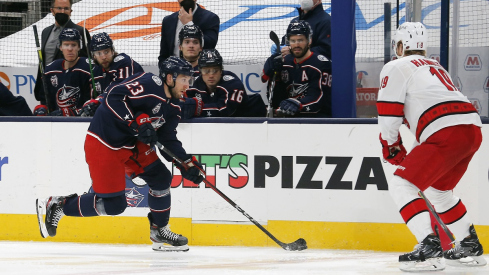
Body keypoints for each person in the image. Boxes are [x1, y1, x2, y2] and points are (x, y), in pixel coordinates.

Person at [36, 56, 205, 252]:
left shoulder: (174, 107)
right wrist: (134, 122)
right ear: (169, 78)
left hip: (132, 145)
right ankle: (59, 205)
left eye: (190, 80)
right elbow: (113, 95)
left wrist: (186, 164)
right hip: (104, 143)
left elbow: (168, 140)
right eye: (184, 79)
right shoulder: (150, 83)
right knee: (115, 205)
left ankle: (159, 230)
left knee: (161, 177)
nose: (188, 85)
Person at [377, 22, 485, 272]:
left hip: (444, 130)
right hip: (471, 128)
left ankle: (429, 247)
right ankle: (470, 245)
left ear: (401, 45)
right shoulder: (435, 66)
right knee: (439, 191)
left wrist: (391, 146)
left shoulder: (396, 66)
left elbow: (388, 114)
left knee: (401, 183)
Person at [262, 21, 332, 117]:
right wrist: (274, 76)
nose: (296, 45)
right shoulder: (284, 62)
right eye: (293, 41)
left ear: (309, 41)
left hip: (317, 120)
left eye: (300, 40)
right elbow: (275, 101)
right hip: (289, 119)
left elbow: (318, 99)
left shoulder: (321, 64)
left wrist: (299, 104)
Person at [34, 0, 91, 107]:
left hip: (69, 86)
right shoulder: (46, 32)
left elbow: (87, 61)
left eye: (66, 8)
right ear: (52, 10)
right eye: (59, 8)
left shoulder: (80, 31)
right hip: (48, 84)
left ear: (71, 11)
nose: (63, 11)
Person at [181, 49, 266, 118]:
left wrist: (198, 109)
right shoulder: (192, 84)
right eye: (206, 71)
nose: (211, 75)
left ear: (221, 70)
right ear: (200, 72)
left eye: (215, 70)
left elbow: (225, 111)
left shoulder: (233, 83)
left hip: (251, 125)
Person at [81, 32, 144, 116]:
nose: (103, 57)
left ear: (112, 50)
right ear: (94, 55)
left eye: (106, 52)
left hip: (139, 112)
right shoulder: (95, 71)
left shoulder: (123, 62)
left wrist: (99, 101)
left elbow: (118, 90)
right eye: (99, 53)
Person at [33, 28, 92, 116]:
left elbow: (92, 104)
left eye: (73, 45)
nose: (70, 49)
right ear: (60, 47)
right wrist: (42, 109)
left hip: (82, 122)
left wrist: (69, 113)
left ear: (79, 47)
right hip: (57, 123)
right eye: (66, 45)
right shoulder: (50, 70)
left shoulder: (89, 68)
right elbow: (45, 101)